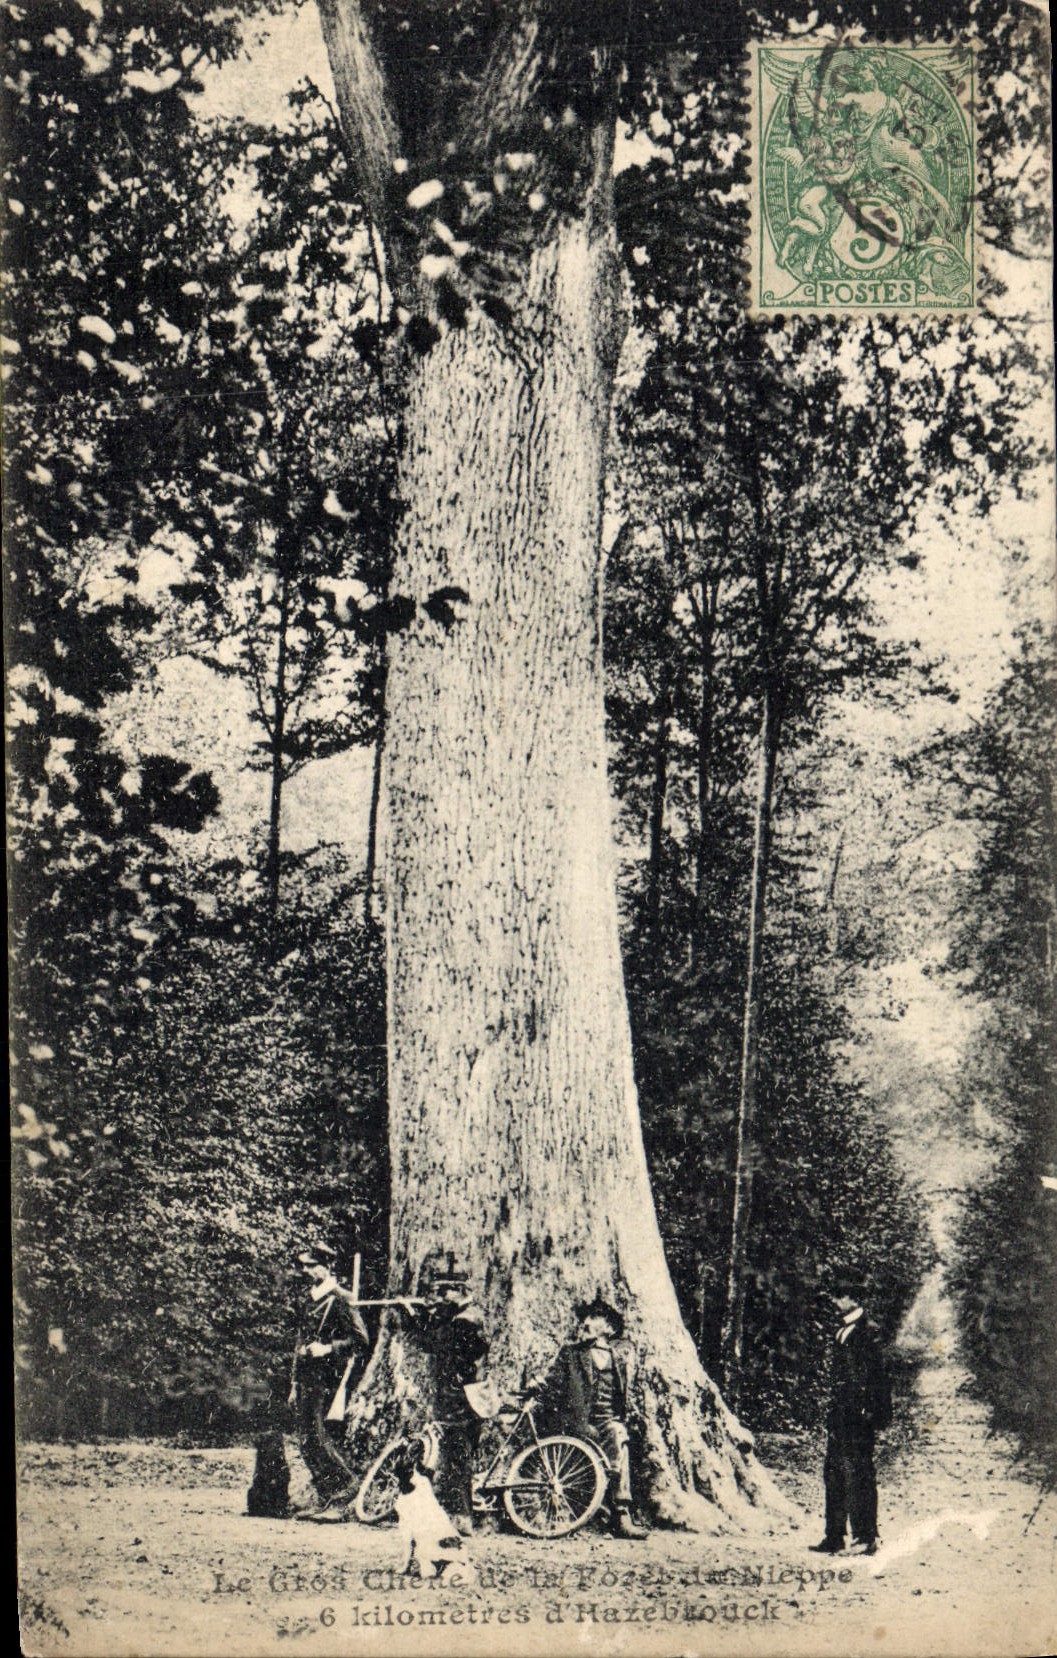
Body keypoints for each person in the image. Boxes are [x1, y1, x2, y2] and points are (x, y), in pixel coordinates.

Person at [534, 1296, 646, 1538]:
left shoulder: (618, 1359)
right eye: (585, 1318)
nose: (585, 1323)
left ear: (609, 1328)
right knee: (607, 1441)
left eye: (593, 1318)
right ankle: (597, 1508)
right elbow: (552, 1386)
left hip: (606, 1421)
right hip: (578, 1421)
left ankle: (621, 1513)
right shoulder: (571, 1354)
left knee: (618, 1433)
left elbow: (622, 1397)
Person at [810, 1273, 892, 1557]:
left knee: (859, 1474)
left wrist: (872, 1412)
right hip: (842, 1415)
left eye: (837, 1297)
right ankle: (834, 1536)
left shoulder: (868, 1332)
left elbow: (879, 1377)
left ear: (850, 1299)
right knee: (833, 1472)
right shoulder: (843, 1330)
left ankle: (866, 1537)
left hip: (859, 1416)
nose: (834, 1303)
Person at [289, 1242, 368, 1514]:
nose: (307, 1271)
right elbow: (300, 1338)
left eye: (312, 1266)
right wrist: (294, 1380)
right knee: (306, 1439)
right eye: (305, 1266)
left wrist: (328, 1348)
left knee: (319, 1436)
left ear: (327, 1266)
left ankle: (345, 1489)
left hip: (328, 1377)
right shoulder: (310, 1297)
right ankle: (325, 1495)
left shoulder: (340, 1298)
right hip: (306, 1375)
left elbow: (360, 1340)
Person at [420, 1271, 489, 1534]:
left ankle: (460, 1517)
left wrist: (425, 1318)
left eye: (444, 1291)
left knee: (456, 1456)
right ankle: (461, 1513)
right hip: (468, 1396)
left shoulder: (463, 1321)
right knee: (459, 1455)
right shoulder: (469, 1316)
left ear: (458, 1290)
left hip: (458, 1399)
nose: (440, 1297)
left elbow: (435, 1344)